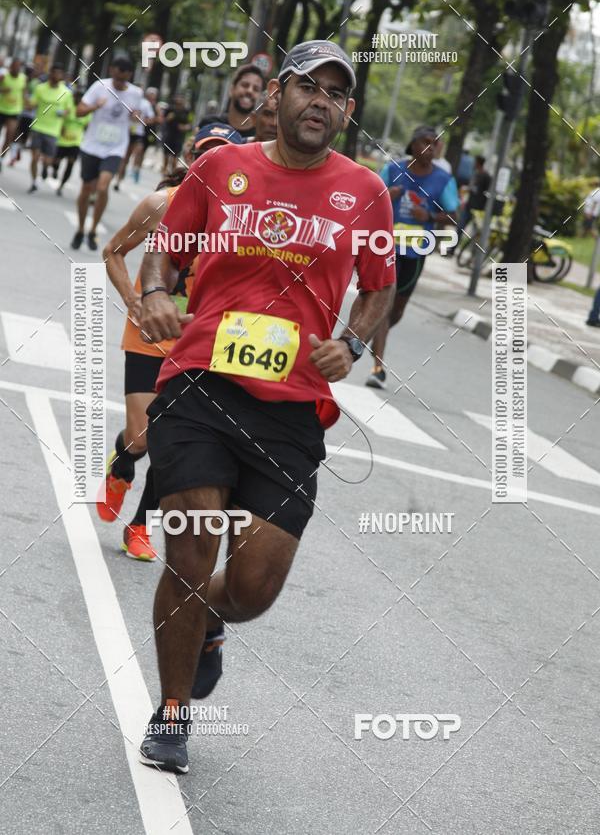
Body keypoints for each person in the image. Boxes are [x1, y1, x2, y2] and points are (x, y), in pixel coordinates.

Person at [137, 39, 394, 774]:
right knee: (190, 545)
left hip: (291, 408)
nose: (322, 101)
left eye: (337, 94)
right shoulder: (221, 168)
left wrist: (351, 340)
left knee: (253, 588)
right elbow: (169, 245)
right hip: (200, 380)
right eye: (309, 86)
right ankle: (174, 710)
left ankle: (214, 618)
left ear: (346, 114)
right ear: (274, 95)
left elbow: (379, 283)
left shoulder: (366, 192)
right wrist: (157, 292)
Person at [97, 124, 244, 561]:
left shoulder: (243, 219)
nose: (210, 162)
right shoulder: (161, 204)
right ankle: (122, 463)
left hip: (199, 341)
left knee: (170, 440)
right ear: (190, 157)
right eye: (204, 153)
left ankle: (140, 525)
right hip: (148, 335)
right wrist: (133, 299)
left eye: (221, 154)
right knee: (142, 437)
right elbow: (113, 251)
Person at [365, 125, 459, 389]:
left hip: (416, 252)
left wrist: (429, 216)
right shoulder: (394, 170)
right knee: (383, 306)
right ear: (413, 145)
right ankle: (378, 368)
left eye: (435, 143)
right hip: (386, 247)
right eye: (425, 142)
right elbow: (369, 200)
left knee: (396, 311)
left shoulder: (443, 180)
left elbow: (454, 215)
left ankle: (373, 333)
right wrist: (386, 195)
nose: (431, 147)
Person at [71, 56, 142, 251]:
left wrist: (136, 117)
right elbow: (79, 111)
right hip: (92, 145)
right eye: (117, 79)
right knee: (86, 189)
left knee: (102, 187)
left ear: (129, 76)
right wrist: (95, 106)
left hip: (115, 147)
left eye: (124, 80)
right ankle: (80, 228)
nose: (119, 83)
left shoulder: (136, 93)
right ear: (112, 71)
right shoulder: (99, 86)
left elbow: (138, 118)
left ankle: (93, 229)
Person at [27, 63, 74, 193]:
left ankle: (45, 168)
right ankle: (34, 181)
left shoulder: (66, 92)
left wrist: (63, 115)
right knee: (35, 157)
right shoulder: (40, 88)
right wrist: (26, 99)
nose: (57, 76)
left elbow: (69, 111)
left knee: (48, 160)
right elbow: (31, 105)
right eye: (55, 73)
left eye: (60, 74)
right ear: (50, 74)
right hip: (38, 126)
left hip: (53, 130)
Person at [197, 63, 265, 137]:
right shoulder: (209, 124)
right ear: (232, 89)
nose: (250, 91)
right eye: (245, 85)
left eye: (256, 89)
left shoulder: (260, 135)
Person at [115, 87, 158, 189]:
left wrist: (142, 121)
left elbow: (151, 118)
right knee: (125, 158)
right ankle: (118, 180)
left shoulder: (145, 104)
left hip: (138, 133)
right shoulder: (128, 100)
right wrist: (130, 117)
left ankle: (135, 169)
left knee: (138, 152)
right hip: (126, 132)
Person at [51, 89, 89, 196]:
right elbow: (57, 113)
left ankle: (61, 185)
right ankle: (55, 169)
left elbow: (88, 125)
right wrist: (63, 115)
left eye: (80, 98)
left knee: (70, 164)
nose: (78, 100)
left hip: (76, 142)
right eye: (76, 97)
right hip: (62, 140)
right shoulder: (68, 106)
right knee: (55, 161)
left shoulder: (85, 111)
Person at [453, 154, 491, 252]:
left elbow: (485, 192)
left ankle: (474, 253)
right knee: (460, 227)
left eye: (475, 162)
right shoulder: (476, 174)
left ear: (478, 163)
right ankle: (452, 249)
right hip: (469, 205)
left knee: (476, 232)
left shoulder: (486, 176)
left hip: (478, 209)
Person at [0, 58, 27, 169]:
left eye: (18, 66)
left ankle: (1, 158)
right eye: (15, 66)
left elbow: (24, 93)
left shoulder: (23, 78)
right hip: (1, 109)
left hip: (15, 111)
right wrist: (2, 90)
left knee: (10, 135)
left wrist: (26, 103)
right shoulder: (4, 76)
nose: (16, 68)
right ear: (11, 67)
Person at [160, 94, 191, 176]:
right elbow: (162, 120)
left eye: (181, 103)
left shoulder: (186, 111)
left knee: (175, 158)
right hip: (169, 135)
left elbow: (190, 124)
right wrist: (168, 118)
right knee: (166, 156)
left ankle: (173, 174)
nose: (179, 104)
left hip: (179, 137)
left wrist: (185, 127)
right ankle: (164, 171)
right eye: (177, 103)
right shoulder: (170, 109)